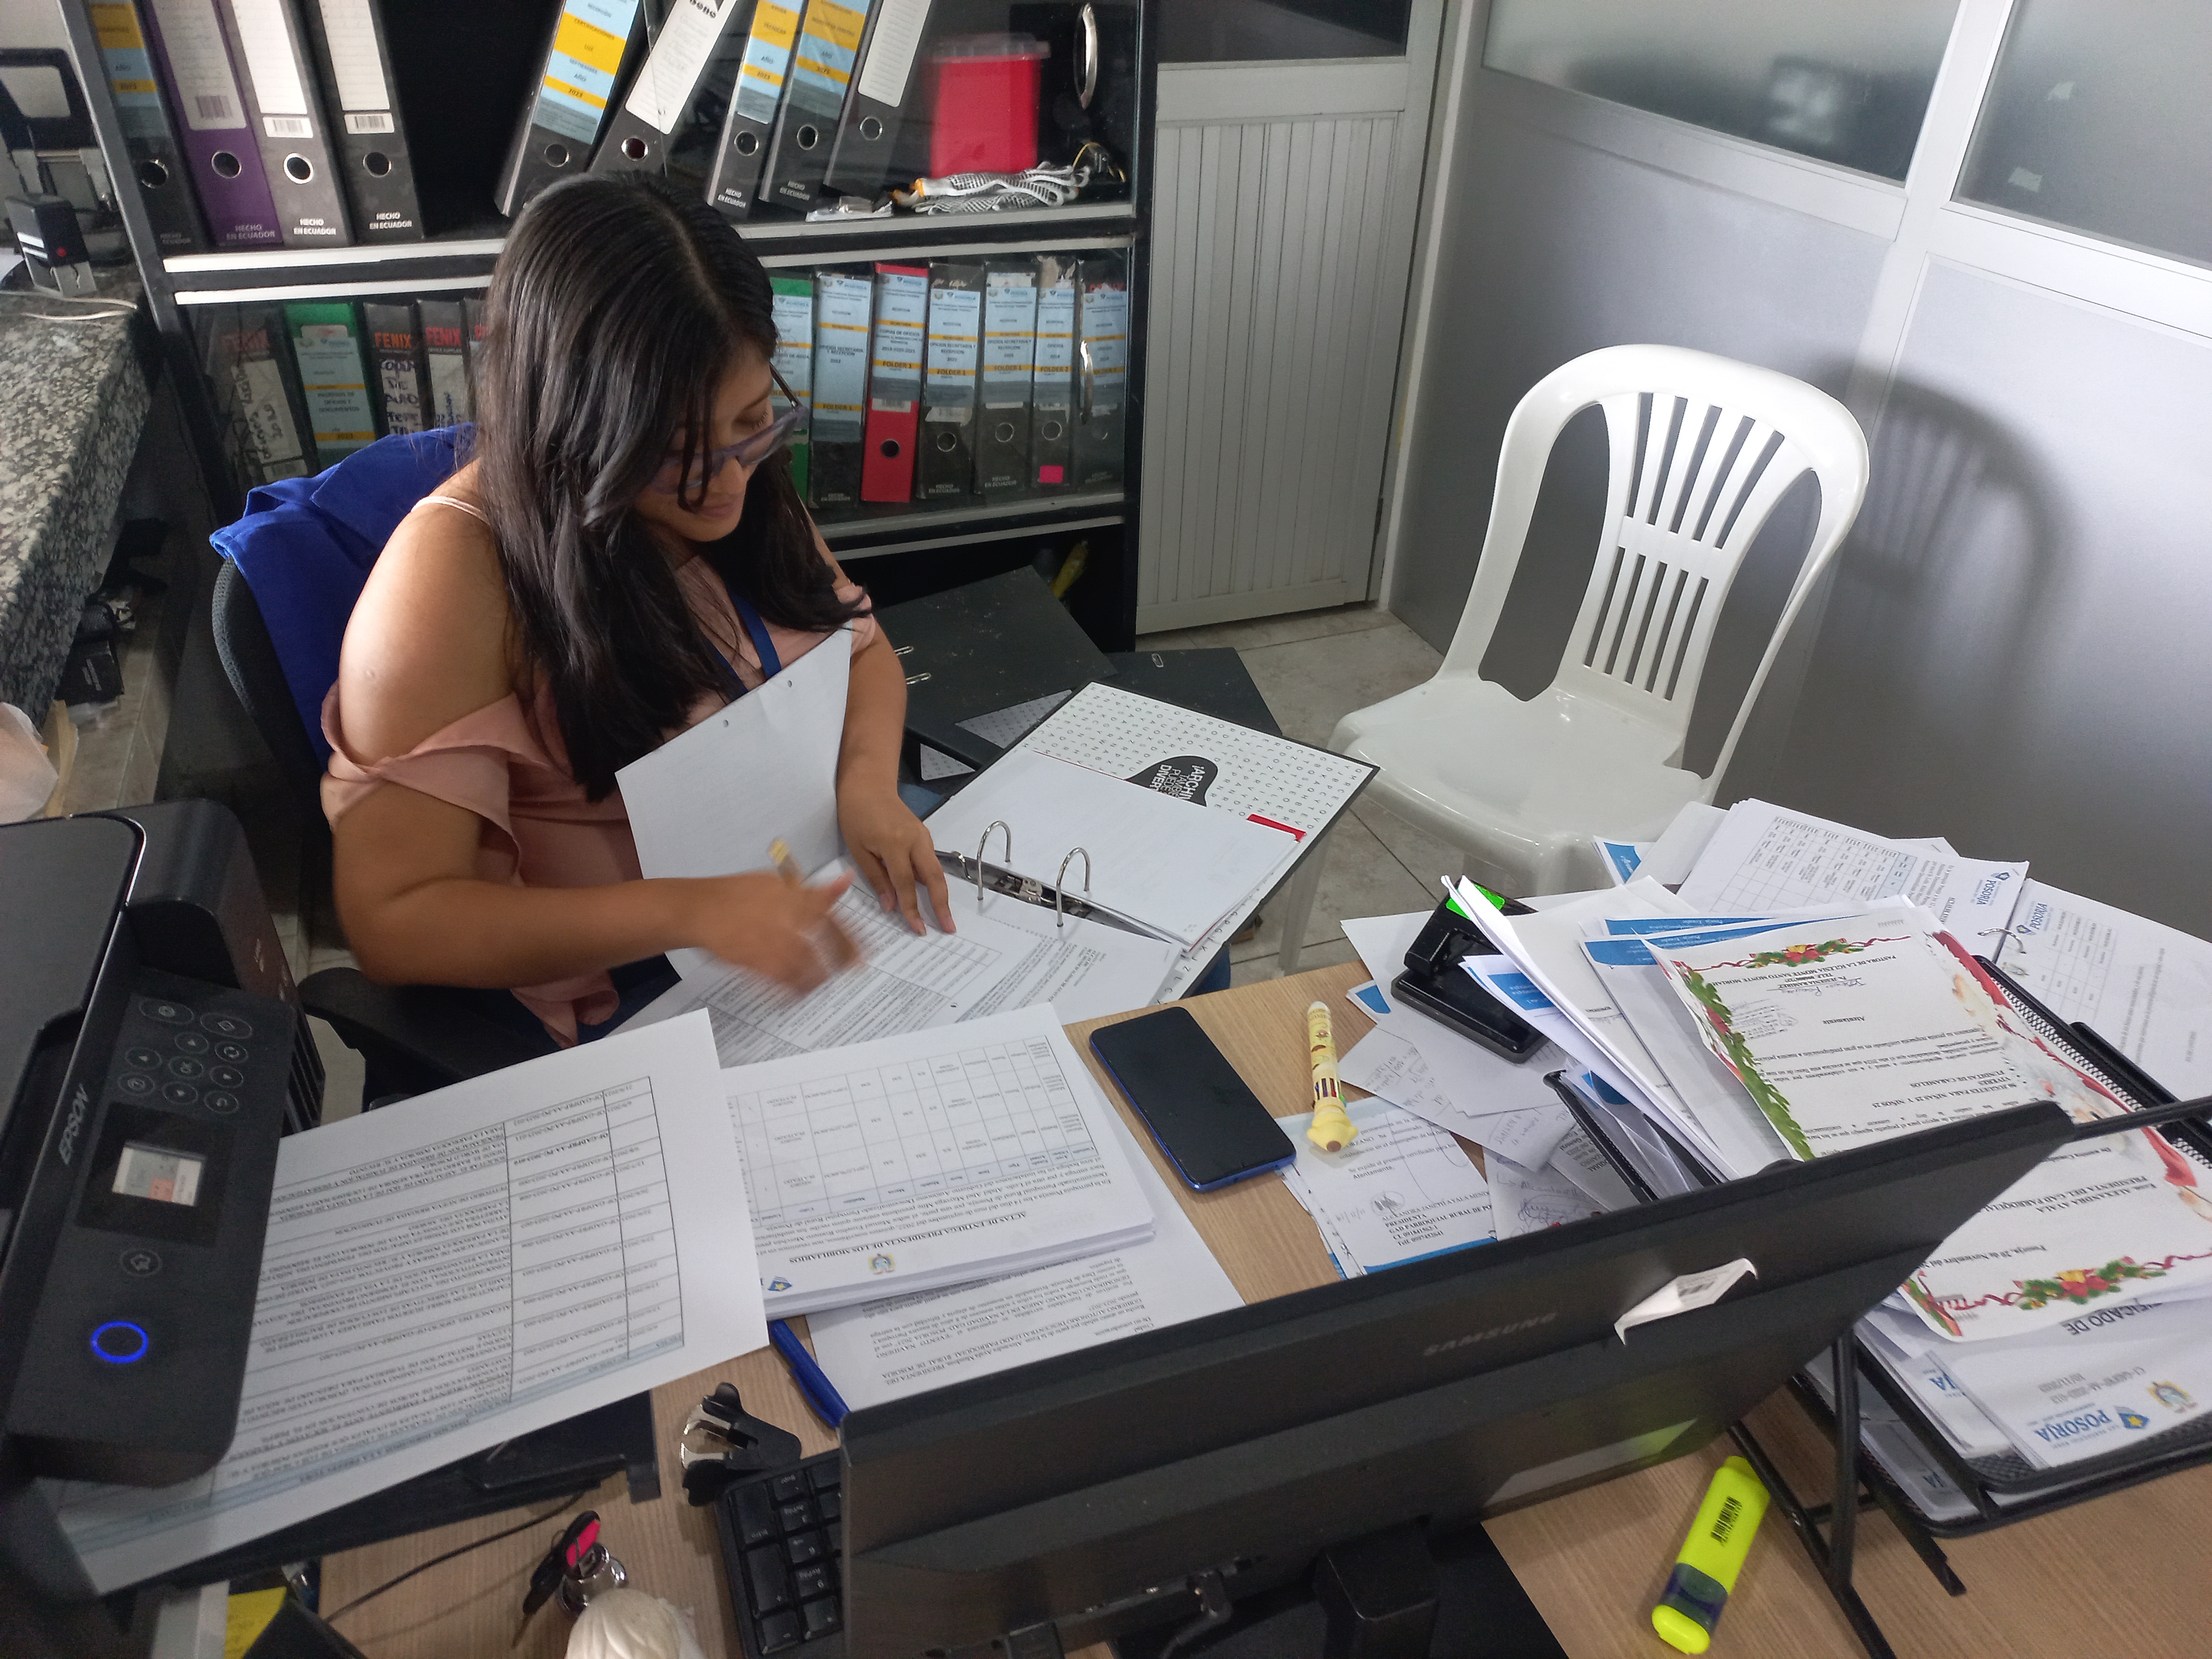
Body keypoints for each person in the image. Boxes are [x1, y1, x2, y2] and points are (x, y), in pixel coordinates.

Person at [322, 175, 951, 1048]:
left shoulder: (735, 476)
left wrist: (867, 787)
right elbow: (394, 921)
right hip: (637, 989)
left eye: (753, 420)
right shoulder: (453, 574)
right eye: (675, 451)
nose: (728, 482)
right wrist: (692, 910)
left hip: (798, 896)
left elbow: (862, 652)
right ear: (575, 430)